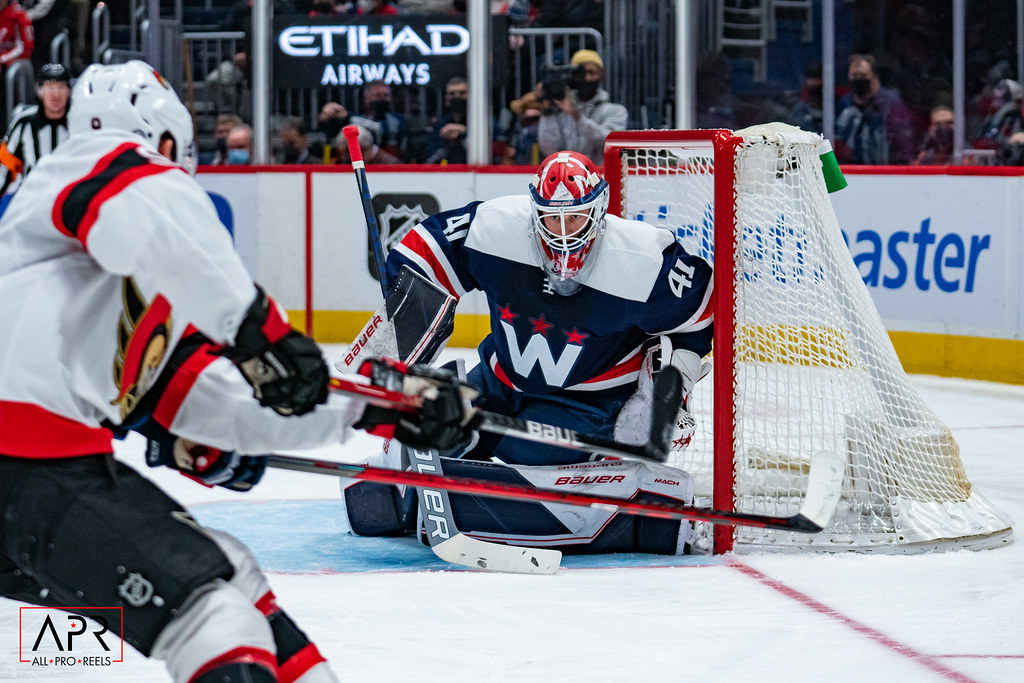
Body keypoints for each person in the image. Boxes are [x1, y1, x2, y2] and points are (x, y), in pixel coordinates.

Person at [0, 60, 473, 683]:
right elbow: (154, 214)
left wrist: (379, 411)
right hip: (26, 465)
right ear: (161, 137)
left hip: (37, 472)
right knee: (211, 616)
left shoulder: (119, 284)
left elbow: (214, 401)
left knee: (235, 580)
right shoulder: (95, 165)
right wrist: (262, 332)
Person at [339, 150, 715, 555]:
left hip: (586, 405)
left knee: (526, 451)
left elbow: (697, 317)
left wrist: (672, 394)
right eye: (552, 218)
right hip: (499, 382)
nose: (563, 231)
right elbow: (422, 250)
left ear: (599, 210)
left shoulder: (640, 260)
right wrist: (402, 327)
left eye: (575, 218)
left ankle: (590, 457)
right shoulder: (498, 228)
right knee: (424, 423)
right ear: (535, 208)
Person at [537, 49, 628, 160]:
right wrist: (548, 112)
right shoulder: (562, 106)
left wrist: (577, 117)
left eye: (592, 72)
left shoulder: (616, 110)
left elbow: (609, 142)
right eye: (581, 74)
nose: (587, 78)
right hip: (569, 174)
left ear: (601, 75)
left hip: (602, 174)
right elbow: (549, 150)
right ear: (572, 76)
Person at [0, 63, 70, 196]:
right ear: (40, 91)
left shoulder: (80, 122)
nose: (55, 94)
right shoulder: (24, 122)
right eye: (49, 87)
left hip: (71, 200)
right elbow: (5, 168)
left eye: (61, 87)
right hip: (32, 199)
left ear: (69, 91)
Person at [834, 53, 916, 165]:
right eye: (855, 75)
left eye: (863, 76)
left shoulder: (891, 104)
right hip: (851, 169)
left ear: (874, 77)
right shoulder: (845, 104)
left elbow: (903, 145)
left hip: (884, 171)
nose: (858, 80)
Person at [319, 81, 410, 161]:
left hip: (390, 167)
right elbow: (330, 132)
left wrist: (348, 115)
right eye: (377, 95)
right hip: (357, 165)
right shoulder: (356, 117)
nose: (382, 99)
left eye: (386, 95)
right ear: (366, 98)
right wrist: (328, 115)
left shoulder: (398, 120)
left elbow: (380, 128)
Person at [424, 76, 468, 164]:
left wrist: (465, 132)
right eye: (452, 94)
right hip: (447, 173)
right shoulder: (441, 124)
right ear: (446, 98)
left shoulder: (483, 122)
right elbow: (429, 157)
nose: (457, 96)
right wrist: (444, 139)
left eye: (462, 93)